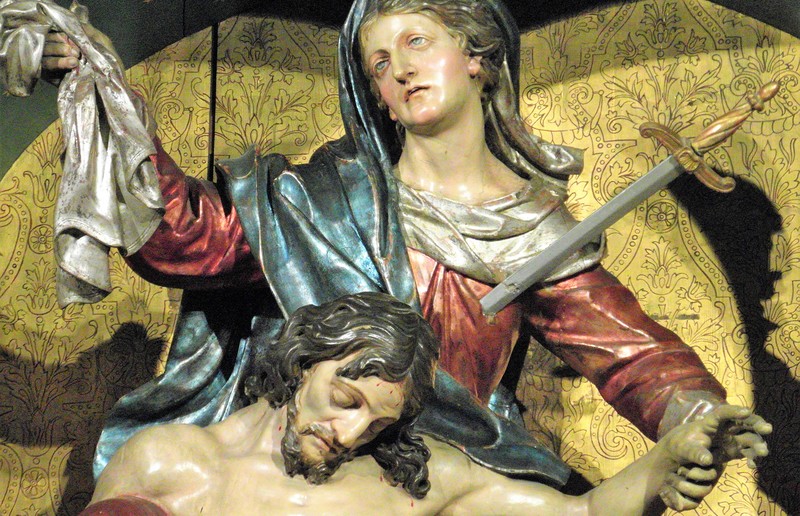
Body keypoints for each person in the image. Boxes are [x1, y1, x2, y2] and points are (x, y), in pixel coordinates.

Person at [5, 0, 769, 501]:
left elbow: (636, 358)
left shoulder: (533, 233)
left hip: (437, 481)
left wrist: (694, 421)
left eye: (417, 41)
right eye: (378, 62)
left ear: (477, 55)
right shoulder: (314, 199)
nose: (399, 68)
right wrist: (106, 99)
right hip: (293, 475)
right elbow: (186, 240)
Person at [80, 292, 765, 515]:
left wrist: (665, 461)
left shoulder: (409, 483)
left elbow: (579, 514)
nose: (350, 433)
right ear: (304, 361)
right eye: (344, 398)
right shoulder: (168, 463)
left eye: (376, 422)